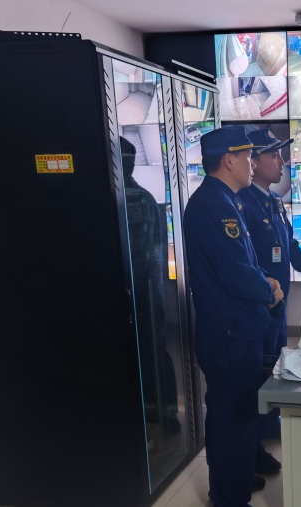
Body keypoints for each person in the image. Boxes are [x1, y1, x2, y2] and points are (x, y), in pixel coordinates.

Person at [182, 126, 284, 507]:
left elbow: (242, 263)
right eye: (247, 156)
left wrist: (264, 279)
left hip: (233, 329)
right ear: (229, 160)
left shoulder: (222, 199)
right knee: (233, 419)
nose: (252, 163)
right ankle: (230, 497)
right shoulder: (216, 205)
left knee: (234, 415)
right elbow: (236, 272)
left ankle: (232, 482)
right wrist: (269, 291)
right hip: (230, 334)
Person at [238, 129, 301, 471]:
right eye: (274, 155)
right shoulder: (243, 203)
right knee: (257, 373)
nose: (282, 161)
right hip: (260, 304)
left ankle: (270, 424)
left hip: (278, 303)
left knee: (274, 366)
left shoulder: (272, 200)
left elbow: (288, 242)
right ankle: (253, 443)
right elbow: (245, 261)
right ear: (253, 162)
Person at [120, 136, 180, 435]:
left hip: (138, 294)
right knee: (153, 351)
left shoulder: (131, 199)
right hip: (148, 292)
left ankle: (162, 414)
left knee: (150, 353)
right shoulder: (144, 197)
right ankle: (163, 413)